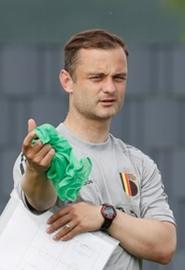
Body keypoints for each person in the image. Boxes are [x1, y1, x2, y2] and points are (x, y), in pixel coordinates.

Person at [12, 29, 176, 269]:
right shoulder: (44, 151)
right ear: (67, 81)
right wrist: (37, 171)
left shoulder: (139, 164)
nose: (110, 88)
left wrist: (104, 216)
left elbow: (164, 245)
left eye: (118, 78)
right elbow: (38, 201)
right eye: (97, 77)